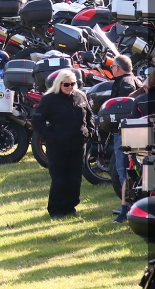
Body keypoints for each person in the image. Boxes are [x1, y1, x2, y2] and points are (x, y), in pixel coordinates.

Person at [32, 69, 96, 219]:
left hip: (78, 145)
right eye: (66, 84)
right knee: (59, 178)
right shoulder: (49, 99)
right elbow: (37, 121)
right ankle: (55, 209)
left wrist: (89, 132)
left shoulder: (81, 96)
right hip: (58, 146)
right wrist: (50, 137)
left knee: (75, 178)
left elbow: (90, 116)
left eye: (73, 84)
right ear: (59, 84)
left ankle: (71, 207)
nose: (70, 87)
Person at [109, 56, 144, 223]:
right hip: (138, 131)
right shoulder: (136, 80)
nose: (111, 70)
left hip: (125, 133)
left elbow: (124, 108)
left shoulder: (124, 84)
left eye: (112, 67)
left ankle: (129, 208)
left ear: (117, 68)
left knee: (124, 171)